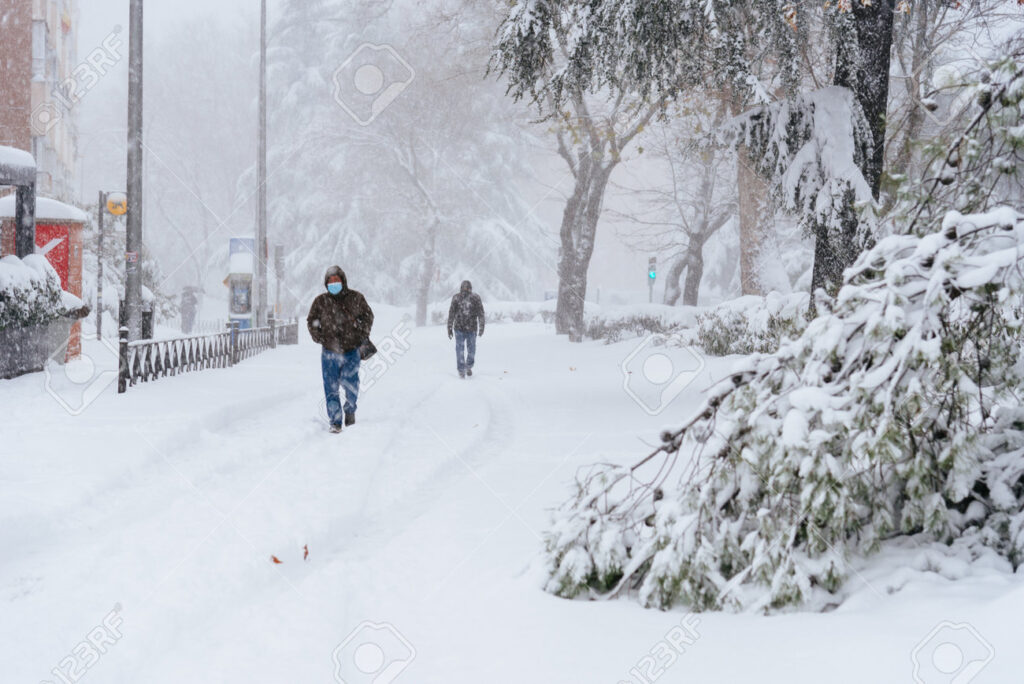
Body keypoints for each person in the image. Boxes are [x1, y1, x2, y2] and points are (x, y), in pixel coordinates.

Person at [307, 266, 374, 433]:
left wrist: (361, 334)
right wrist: (318, 336)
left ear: (343, 281)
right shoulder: (320, 301)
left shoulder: (356, 298)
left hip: (351, 351)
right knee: (331, 388)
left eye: (336, 280)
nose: (333, 283)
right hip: (329, 351)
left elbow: (368, 316)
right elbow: (312, 320)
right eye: (330, 281)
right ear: (326, 283)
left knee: (351, 384)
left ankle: (350, 410)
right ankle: (335, 421)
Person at [447, 280, 485, 378]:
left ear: (470, 289)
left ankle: (468, 366)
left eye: (467, 288)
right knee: (459, 349)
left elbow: (481, 313)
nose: (465, 290)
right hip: (459, 328)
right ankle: (461, 370)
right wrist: (449, 327)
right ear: (460, 288)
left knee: (471, 350)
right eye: (464, 288)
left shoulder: (476, 298)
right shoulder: (456, 298)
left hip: (472, 329)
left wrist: (482, 327)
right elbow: (451, 313)